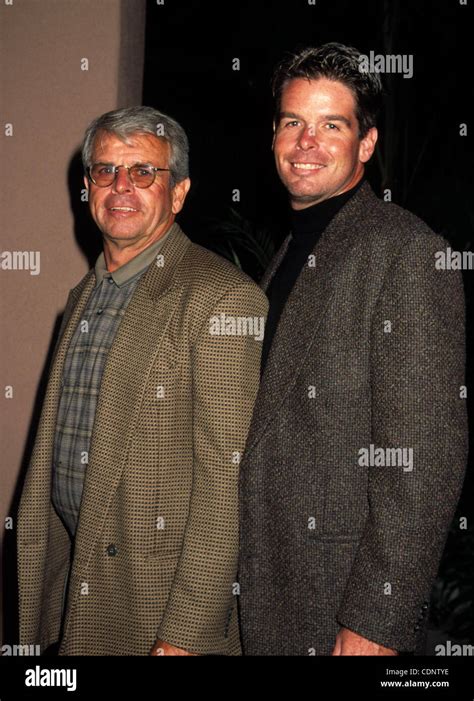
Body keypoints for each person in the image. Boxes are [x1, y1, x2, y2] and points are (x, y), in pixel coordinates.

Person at [238, 43, 467, 656]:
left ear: (366, 144)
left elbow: (423, 458)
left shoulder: (407, 254)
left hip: (334, 598)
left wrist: (374, 623)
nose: (306, 141)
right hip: (266, 584)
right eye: (293, 122)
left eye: (330, 125)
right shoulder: (288, 257)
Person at [17, 106, 267, 656]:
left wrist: (183, 636)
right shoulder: (83, 295)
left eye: (143, 172)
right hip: (73, 582)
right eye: (106, 171)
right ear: (87, 188)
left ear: (178, 194)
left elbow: (226, 487)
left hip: (152, 606)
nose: (121, 186)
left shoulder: (221, 298)